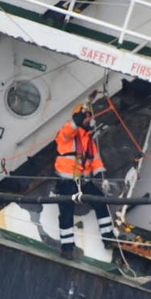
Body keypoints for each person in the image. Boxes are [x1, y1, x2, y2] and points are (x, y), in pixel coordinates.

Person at [53, 103, 116, 259]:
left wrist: (102, 177)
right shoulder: (66, 135)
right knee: (66, 214)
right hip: (66, 182)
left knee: (101, 202)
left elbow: (95, 160)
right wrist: (77, 119)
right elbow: (69, 129)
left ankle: (108, 238)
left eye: (89, 117)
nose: (89, 120)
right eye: (86, 117)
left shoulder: (88, 140)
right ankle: (67, 249)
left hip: (83, 183)